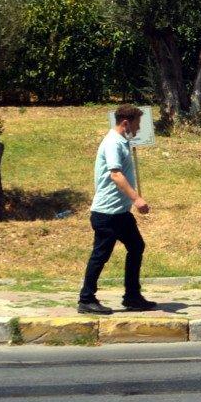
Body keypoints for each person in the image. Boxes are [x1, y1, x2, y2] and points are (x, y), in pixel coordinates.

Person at [78, 105, 156, 314]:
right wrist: (136, 199)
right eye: (137, 124)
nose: (138, 128)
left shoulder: (122, 141)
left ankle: (132, 296)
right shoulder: (113, 142)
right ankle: (86, 299)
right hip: (107, 213)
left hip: (120, 213)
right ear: (126, 123)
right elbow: (115, 174)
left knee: (136, 246)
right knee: (100, 255)